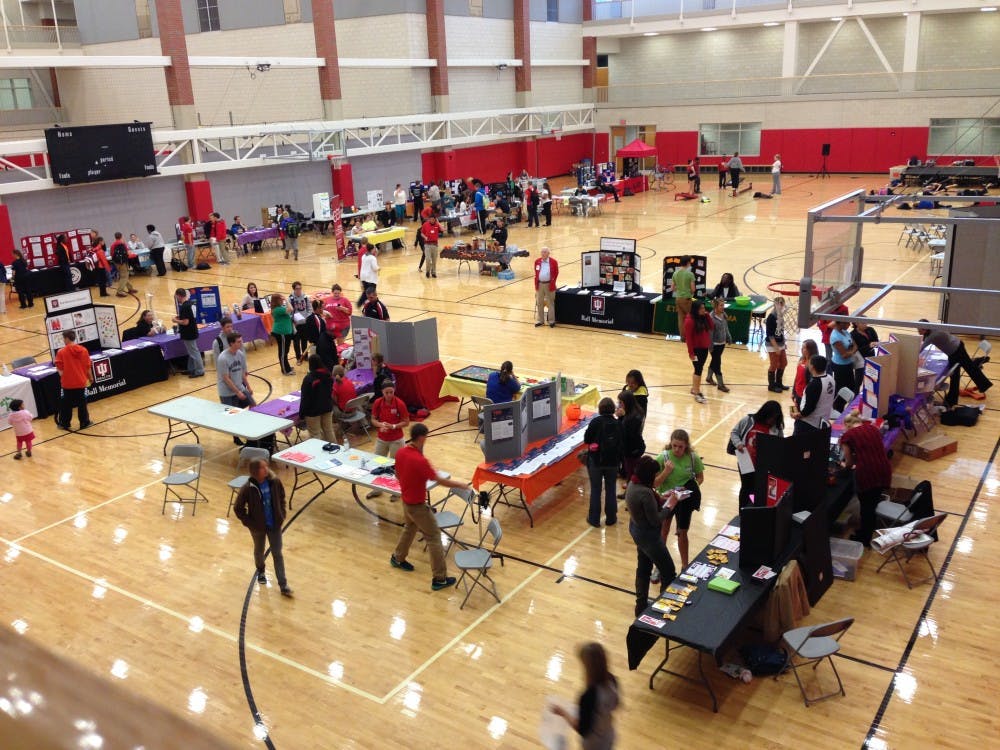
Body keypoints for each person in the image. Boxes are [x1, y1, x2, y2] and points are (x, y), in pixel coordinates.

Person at [390, 423, 474, 591]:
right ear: (421, 437)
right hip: (417, 505)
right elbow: (440, 480)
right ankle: (439, 578)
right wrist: (461, 485)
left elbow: (398, 474)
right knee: (434, 537)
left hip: (405, 501)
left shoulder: (401, 452)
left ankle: (398, 558)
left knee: (410, 527)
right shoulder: (420, 460)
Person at [623, 456, 682, 616]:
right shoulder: (645, 493)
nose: (656, 477)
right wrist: (671, 504)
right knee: (668, 572)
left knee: (643, 568)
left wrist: (662, 498)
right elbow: (656, 520)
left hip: (636, 530)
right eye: (655, 475)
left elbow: (648, 505)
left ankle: (640, 606)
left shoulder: (632, 484)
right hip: (649, 537)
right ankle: (663, 608)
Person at [233, 458, 293, 597]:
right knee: (259, 551)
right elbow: (238, 508)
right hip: (257, 528)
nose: (267, 469)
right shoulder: (248, 488)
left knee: (277, 553)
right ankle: (261, 571)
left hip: (274, 525)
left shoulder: (274, 482)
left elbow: (282, 497)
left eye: (266, 466)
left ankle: (283, 585)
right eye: (263, 467)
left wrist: (281, 514)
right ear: (255, 472)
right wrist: (250, 523)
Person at [550, 642, 620, 749]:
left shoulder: (589, 696)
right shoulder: (613, 680)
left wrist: (562, 712)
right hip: (608, 735)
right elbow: (616, 705)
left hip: (593, 744)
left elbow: (581, 729)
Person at [838, 411, 892, 546]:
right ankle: (868, 530)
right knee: (872, 503)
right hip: (884, 469)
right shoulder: (873, 428)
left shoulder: (847, 436)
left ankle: (864, 538)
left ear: (847, 425)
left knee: (866, 507)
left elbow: (849, 463)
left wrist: (844, 465)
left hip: (867, 473)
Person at [654, 429, 704, 569]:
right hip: (666, 499)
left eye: (680, 447)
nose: (677, 449)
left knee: (682, 532)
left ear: (686, 446)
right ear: (671, 443)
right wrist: (666, 471)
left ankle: (684, 566)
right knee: (664, 530)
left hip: (684, 501)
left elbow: (700, 478)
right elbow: (654, 483)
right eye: (674, 445)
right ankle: (659, 566)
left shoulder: (693, 457)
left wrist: (689, 490)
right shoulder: (662, 458)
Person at [917, 321, 993, 406]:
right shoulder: (933, 328)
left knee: (956, 374)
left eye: (920, 330)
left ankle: (952, 400)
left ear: (925, 329)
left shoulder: (932, 336)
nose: (918, 332)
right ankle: (983, 384)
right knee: (968, 368)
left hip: (955, 351)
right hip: (957, 345)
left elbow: (922, 348)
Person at [730, 400, 784, 507]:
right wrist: (738, 444)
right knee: (746, 488)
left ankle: (754, 510)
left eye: (775, 418)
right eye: (771, 417)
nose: (772, 421)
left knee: (759, 490)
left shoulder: (777, 427)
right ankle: (743, 512)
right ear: (765, 414)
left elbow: (780, 443)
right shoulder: (748, 421)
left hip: (764, 465)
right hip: (745, 461)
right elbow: (734, 432)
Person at [583, 398, 623, 528]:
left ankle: (594, 519)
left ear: (600, 409)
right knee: (611, 488)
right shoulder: (618, 424)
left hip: (596, 460)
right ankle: (611, 518)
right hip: (613, 462)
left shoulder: (595, 422)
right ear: (613, 409)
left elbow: (587, 439)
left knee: (596, 489)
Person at [55, 330, 92, 430]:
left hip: (67, 383)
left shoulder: (61, 352)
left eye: (63, 338)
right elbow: (88, 366)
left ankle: (64, 423)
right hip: (81, 382)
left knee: (66, 404)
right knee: (82, 403)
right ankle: (84, 422)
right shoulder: (83, 350)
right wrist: (90, 378)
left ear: (67, 338)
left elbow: (60, 370)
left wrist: (65, 376)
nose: (63, 340)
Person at [791, 355, 835, 436]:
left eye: (809, 363)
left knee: (795, 445)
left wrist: (797, 415)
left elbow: (809, 408)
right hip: (823, 419)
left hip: (809, 423)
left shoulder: (814, 385)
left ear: (812, 367)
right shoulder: (830, 378)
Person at [299, 354, 339, 444]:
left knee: (315, 434)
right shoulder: (328, 375)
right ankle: (336, 450)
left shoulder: (309, 379)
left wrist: (301, 414)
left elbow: (305, 398)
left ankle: (318, 455)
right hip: (327, 407)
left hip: (313, 411)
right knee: (329, 431)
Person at [615, 390, 645, 499]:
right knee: (630, 472)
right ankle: (629, 493)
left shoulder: (632, 417)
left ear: (627, 402)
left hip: (632, 449)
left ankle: (632, 497)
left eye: (621, 403)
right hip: (635, 446)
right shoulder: (637, 411)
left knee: (632, 474)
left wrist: (621, 418)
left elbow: (625, 433)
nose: (619, 405)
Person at [684, 299, 713, 404]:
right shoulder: (689, 320)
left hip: (704, 348)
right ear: (696, 309)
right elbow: (688, 338)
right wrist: (691, 353)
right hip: (696, 350)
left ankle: (694, 388)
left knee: (699, 369)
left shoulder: (703, 317)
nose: (703, 310)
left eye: (704, 308)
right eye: (701, 308)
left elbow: (711, 327)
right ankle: (696, 392)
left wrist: (707, 315)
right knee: (698, 369)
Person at [173, 288, 204, 378]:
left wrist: (175, 320)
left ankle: (199, 370)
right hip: (192, 331)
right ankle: (191, 368)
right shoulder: (189, 304)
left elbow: (186, 322)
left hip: (188, 333)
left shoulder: (184, 307)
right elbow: (189, 317)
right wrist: (180, 316)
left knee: (194, 352)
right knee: (191, 352)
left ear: (179, 295)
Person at [706, 297, 732, 393]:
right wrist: (710, 346)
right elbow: (710, 334)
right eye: (721, 305)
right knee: (717, 363)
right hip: (715, 344)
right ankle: (721, 385)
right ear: (716, 306)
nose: (723, 307)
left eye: (723, 305)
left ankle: (709, 377)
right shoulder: (711, 318)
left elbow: (726, 328)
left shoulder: (723, 315)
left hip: (722, 343)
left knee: (715, 360)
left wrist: (728, 337)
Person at [765, 296, 789, 392]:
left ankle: (779, 383)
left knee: (784, 363)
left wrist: (784, 343)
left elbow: (781, 331)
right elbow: (770, 334)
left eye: (782, 303)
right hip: (772, 344)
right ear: (775, 304)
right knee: (774, 364)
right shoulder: (771, 317)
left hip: (780, 343)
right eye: (779, 303)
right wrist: (776, 347)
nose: (781, 305)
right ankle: (771, 386)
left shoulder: (780, 315)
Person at [828, 320, 858, 397]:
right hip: (840, 366)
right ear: (841, 323)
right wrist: (852, 351)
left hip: (848, 364)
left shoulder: (845, 332)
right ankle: (838, 407)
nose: (849, 324)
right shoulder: (835, 336)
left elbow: (855, 346)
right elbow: (844, 355)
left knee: (851, 387)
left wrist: (850, 352)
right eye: (847, 323)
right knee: (841, 390)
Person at [670, 255, 695, 341]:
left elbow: (672, 288)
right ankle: (689, 336)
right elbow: (693, 289)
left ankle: (683, 337)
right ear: (688, 263)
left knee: (681, 318)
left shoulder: (675, 273)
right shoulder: (690, 274)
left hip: (678, 298)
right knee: (689, 318)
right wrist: (688, 291)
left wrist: (680, 289)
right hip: (687, 299)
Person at [270, 293, 295, 376]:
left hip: (285, 333)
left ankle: (287, 366)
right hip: (281, 333)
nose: (282, 300)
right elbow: (291, 308)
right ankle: (285, 370)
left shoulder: (280, 308)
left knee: (285, 351)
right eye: (281, 299)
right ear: (277, 301)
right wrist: (287, 300)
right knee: (283, 352)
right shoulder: (277, 309)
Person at [851, 318, 879, 392]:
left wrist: (876, 343)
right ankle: (855, 397)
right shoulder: (853, 334)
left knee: (871, 379)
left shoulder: (870, 329)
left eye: (866, 323)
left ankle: (869, 395)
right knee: (858, 381)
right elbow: (857, 350)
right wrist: (869, 346)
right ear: (856, 323)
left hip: (872, 359)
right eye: (863, 323)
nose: (866, 325)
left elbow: (876, 340)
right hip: (860, 360)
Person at [533, 246, 559, 328]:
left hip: (549, 285)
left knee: (550, 303)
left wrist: (552, 281)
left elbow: (556, 272)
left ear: (548, 253)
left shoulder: (554, 262)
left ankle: (551, 321)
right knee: (539, 303)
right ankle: (540, 321)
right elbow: (536, 272)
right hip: (539, 285)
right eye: (542, 252)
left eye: (545, 252)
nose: (543, 254)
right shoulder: (537, 261)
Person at [288, 281, 311, 365]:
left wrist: (307, 318)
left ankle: (305, 356)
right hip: (296, 324)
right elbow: (289, 312)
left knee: (304, 341)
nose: (299, 290)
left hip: (304, 323)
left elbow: (309, 309)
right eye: (297, 289)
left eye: (300, 288)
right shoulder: (290, 299)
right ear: (294, 289)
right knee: (296, 342)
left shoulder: (305, 297)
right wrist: (293, 320)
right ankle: (298, 358)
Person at [792, 340, 819, 409]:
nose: (801, 349)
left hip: (804, 394)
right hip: (797, 391)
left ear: (810, 350)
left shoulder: (813, 363)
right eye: (802, 347)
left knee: (801, 413)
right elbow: (797, 377)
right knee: (796, 410)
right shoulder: (801, 359)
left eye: (804, 348)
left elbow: (811, 382)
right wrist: (793, 392)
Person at [110, 232, 136, 297]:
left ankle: (130, 288)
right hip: (123, 262)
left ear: (115, 237)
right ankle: (119, 291)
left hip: (116, 262)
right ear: (121, 236)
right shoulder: (122, 243)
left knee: (124, 275)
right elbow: (127, 253)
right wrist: (134, 255)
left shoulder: (113, 244)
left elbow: (111, 254)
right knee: (124, 276)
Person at [420, 214, 442, 278]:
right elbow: (421, 233)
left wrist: (438, 223)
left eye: (433, 219)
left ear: (435, 219)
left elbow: (443, 229)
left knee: (434, 260)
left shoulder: (437, 225)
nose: (432, 221)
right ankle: (427, 271)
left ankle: (433, 272)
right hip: (427, 245)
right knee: (428, 259)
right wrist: (425, 237)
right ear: (429, 219)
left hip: (435, 245)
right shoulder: (425, 225)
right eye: (431, 219)